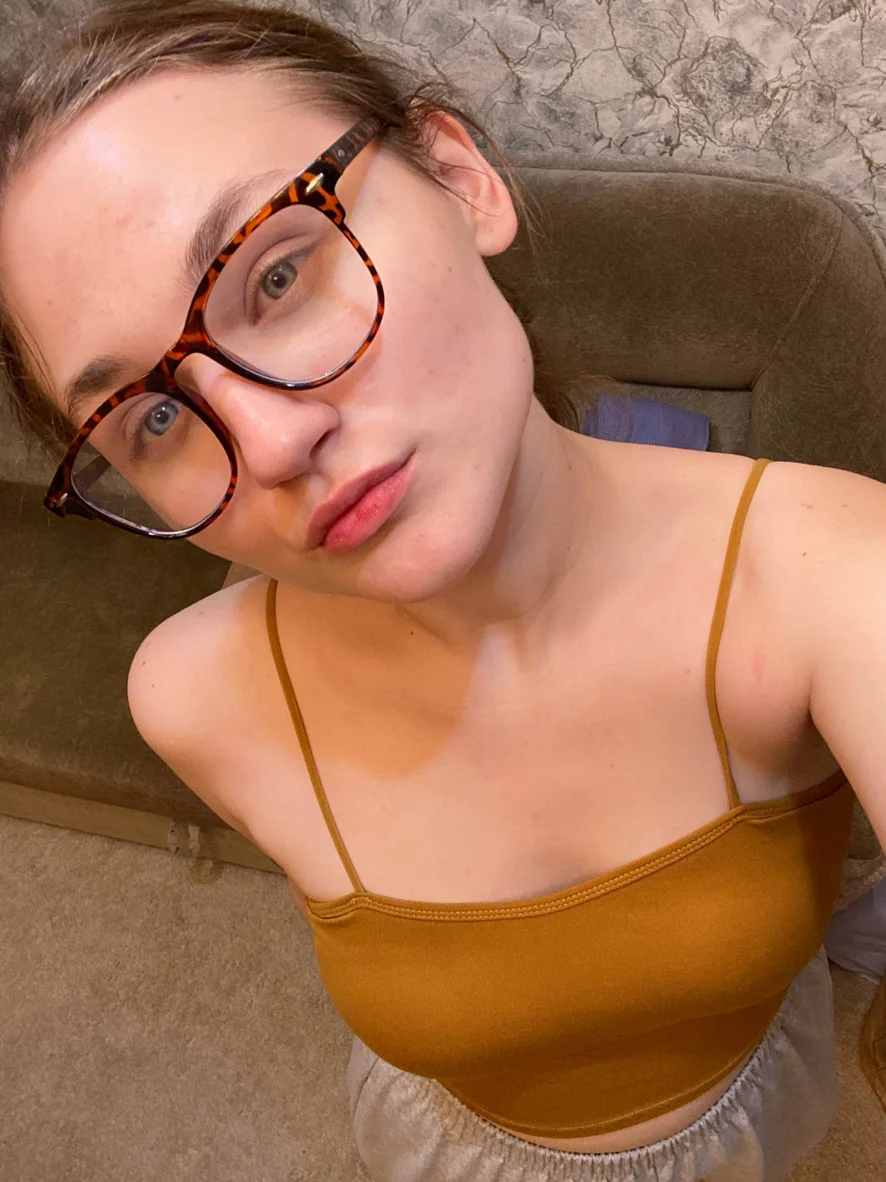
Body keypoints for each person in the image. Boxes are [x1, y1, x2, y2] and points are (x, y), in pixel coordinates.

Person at [1, 2, 884, 1179]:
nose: (269, 445)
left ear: (461, 179)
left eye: (276, 274)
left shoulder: (830, 571)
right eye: (152, 419)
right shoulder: (191, 699)